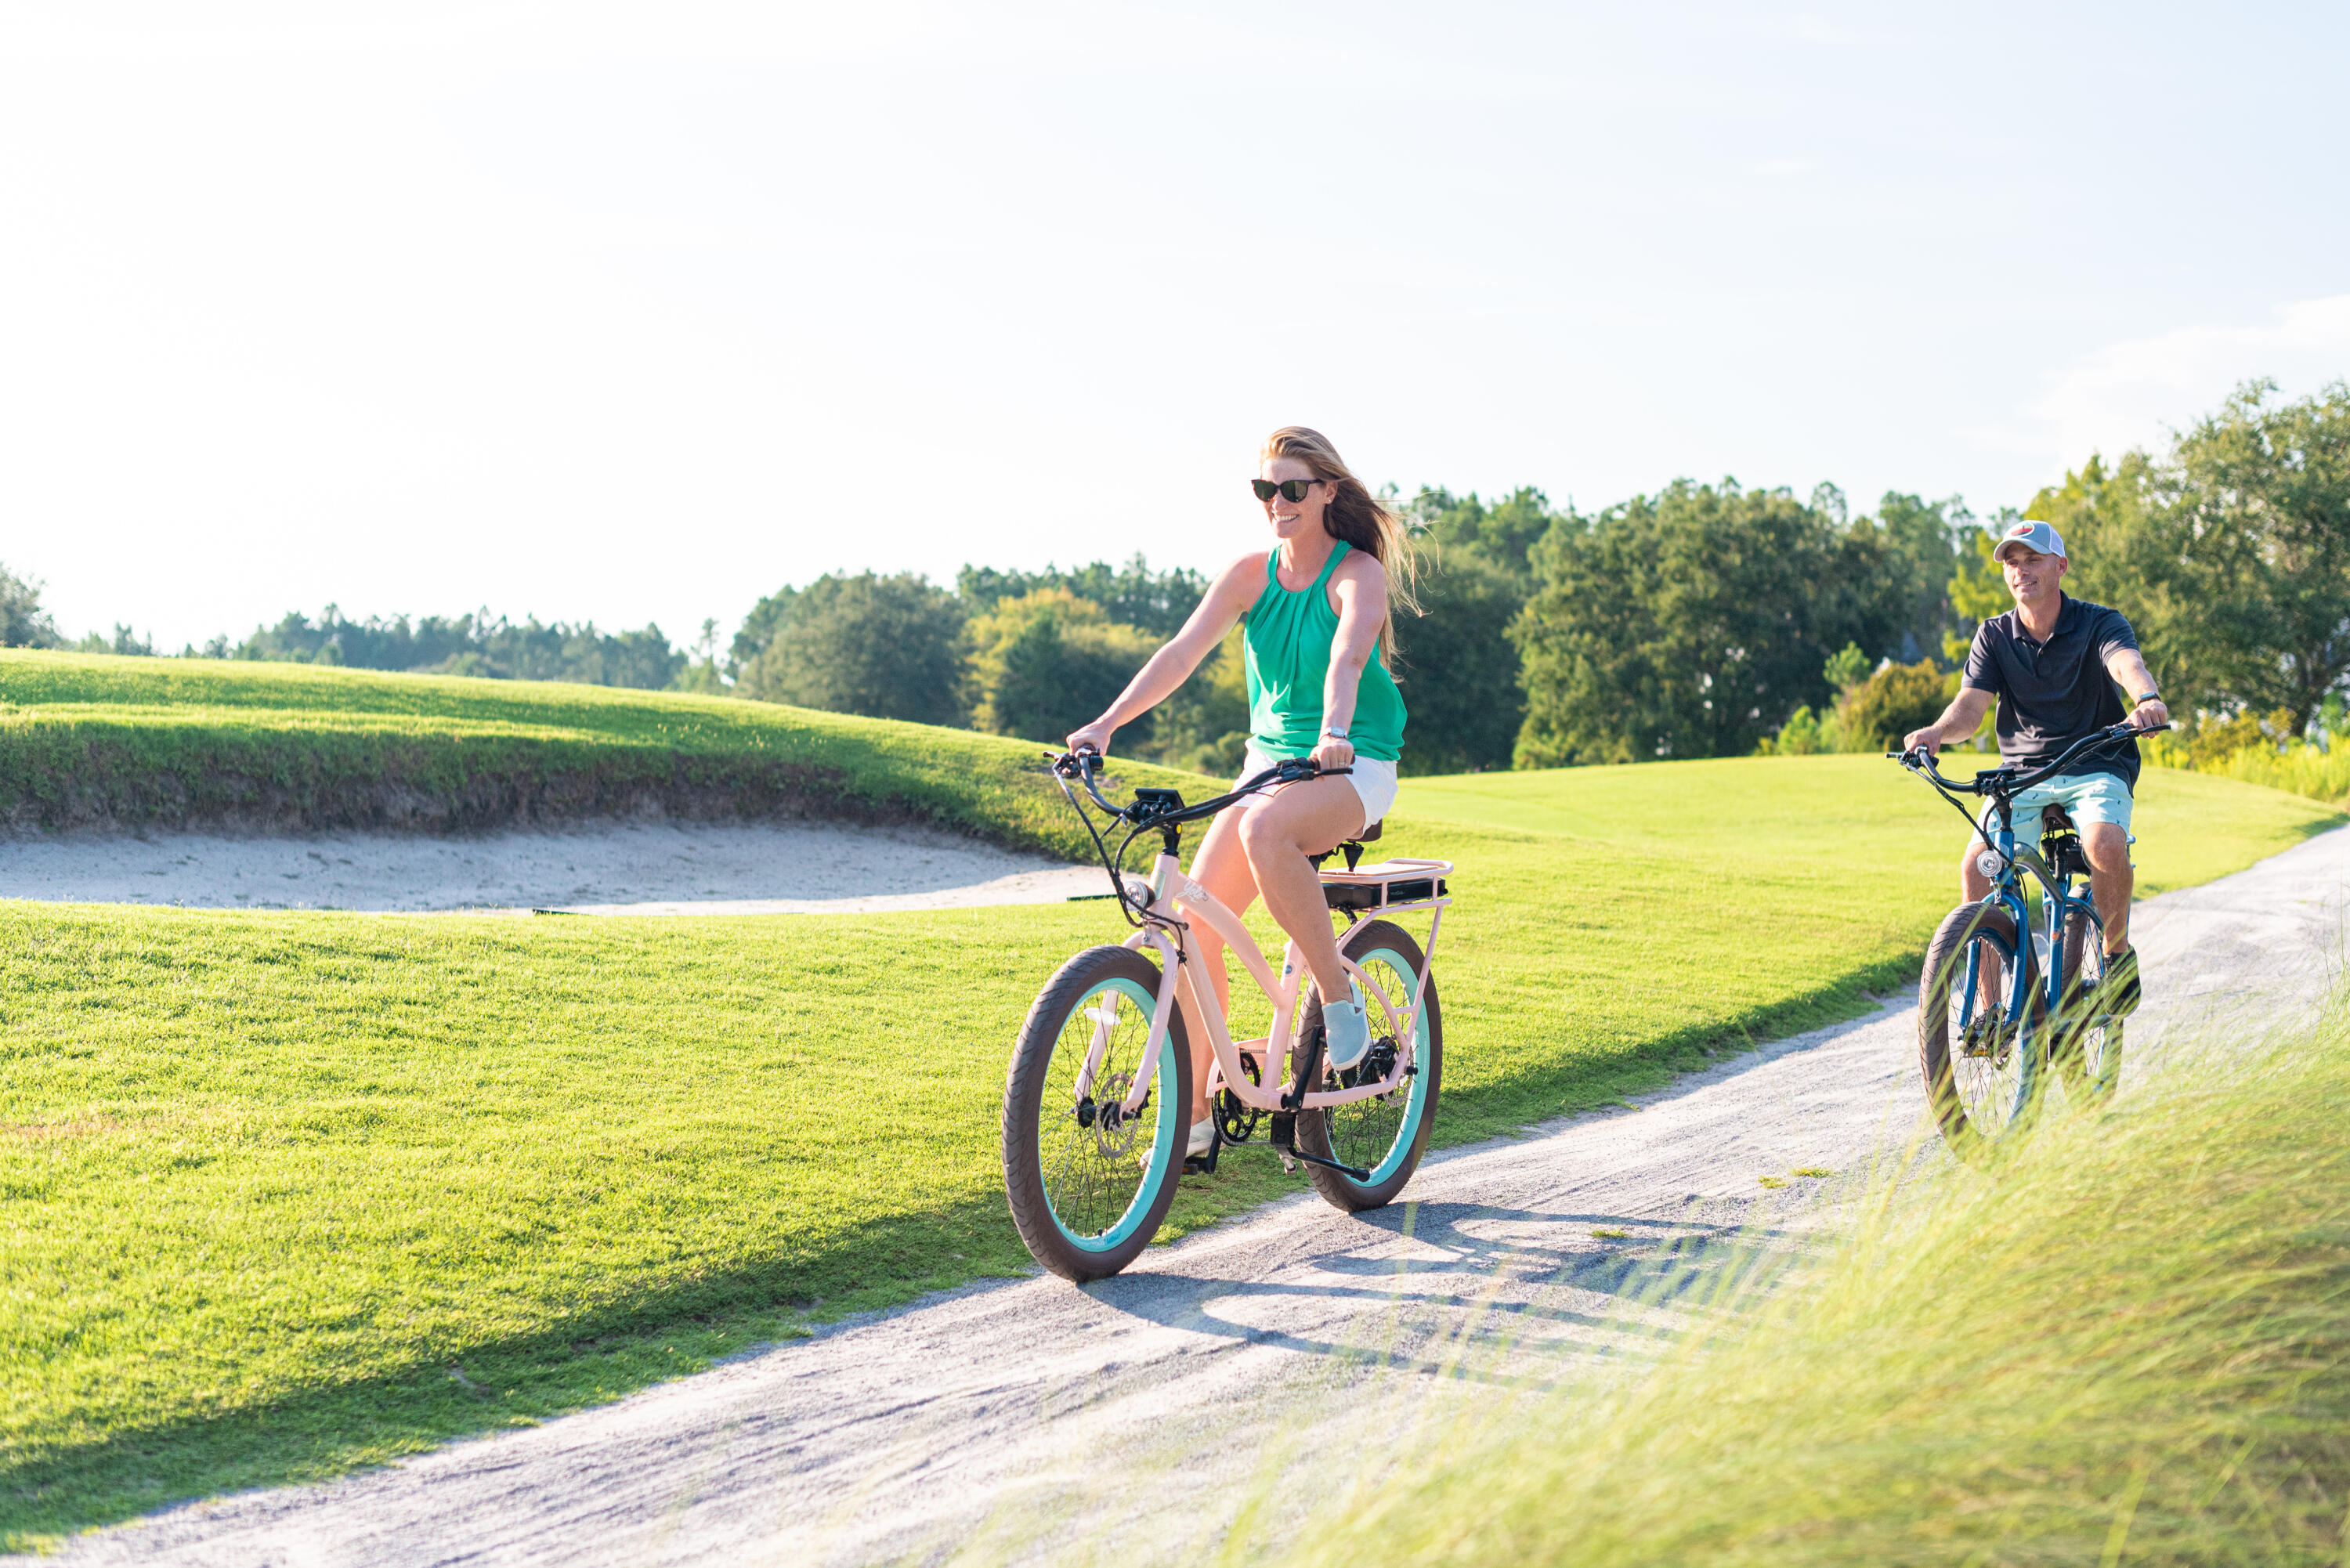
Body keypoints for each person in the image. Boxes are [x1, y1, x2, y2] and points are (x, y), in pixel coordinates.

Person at [1065, 426, 1416, 1159]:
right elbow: (1180, 654)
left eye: (1292, 489)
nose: (1278, 503)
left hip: (1353, 761)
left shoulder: (1358, 574)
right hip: (1268, 764)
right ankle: (1195, 1115)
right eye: (1266, 490)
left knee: (1264, 834)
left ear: (1326, 492)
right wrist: (1105, 723)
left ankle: (1340, 1002)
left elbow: (1349, 654)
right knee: (1192, 924)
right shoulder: (1249, 576)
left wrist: (1335, 731)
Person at [1901, 518, 2169, 1011]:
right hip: (2023, 775)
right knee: (1977, 866)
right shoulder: (1994, 636)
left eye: (2033, 560)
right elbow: (1970, 708)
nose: (2020, 570)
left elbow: (2125, 663)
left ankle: (2114, 951)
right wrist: (1938, 732)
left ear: (2060, 566)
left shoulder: (2099, 623)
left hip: (2095, 761)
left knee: (2103, 842)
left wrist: (2146, 699)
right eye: (2012, 562)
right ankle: (1992, 1011)